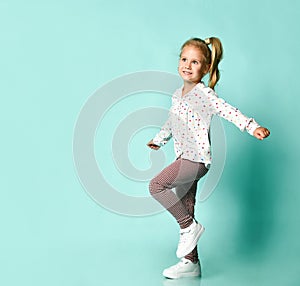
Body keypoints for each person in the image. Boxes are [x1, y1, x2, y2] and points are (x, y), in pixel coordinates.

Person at [147, 37, 270, 279]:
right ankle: (191, 264)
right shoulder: (177, 95)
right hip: (183, 156)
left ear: (205, 68)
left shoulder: (204, 93)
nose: (187, 65)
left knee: (156, 186)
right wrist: (159, 140)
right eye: (184, 59)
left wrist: (251, 126)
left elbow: (228, 110)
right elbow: (172, 122)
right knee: (187, 205)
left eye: (195, 62)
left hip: (196, 160)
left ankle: (189, 227)